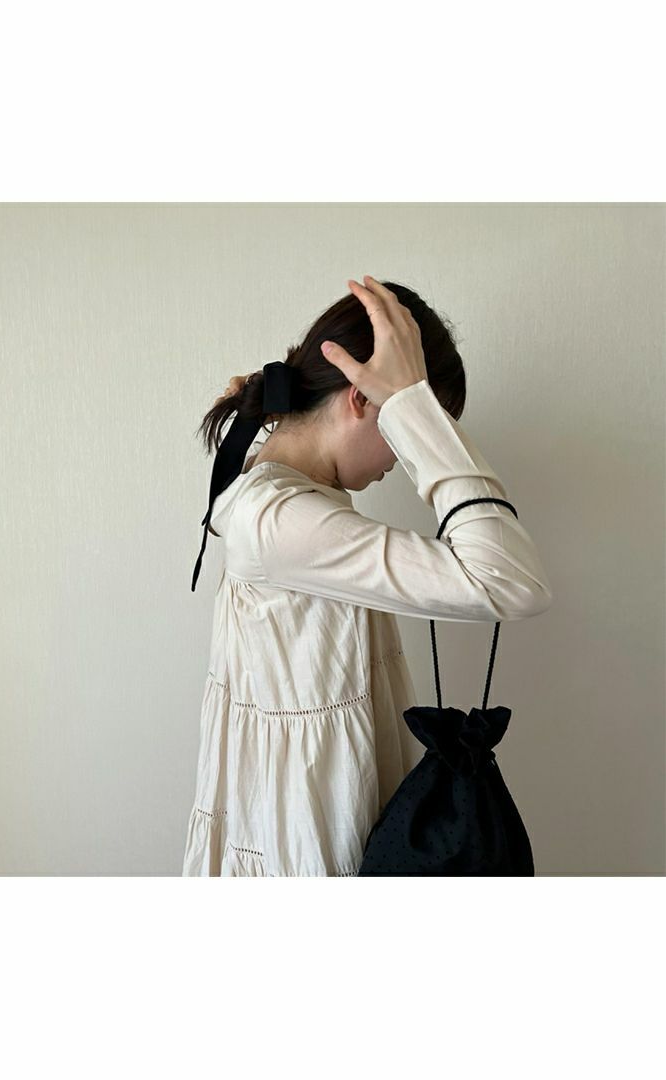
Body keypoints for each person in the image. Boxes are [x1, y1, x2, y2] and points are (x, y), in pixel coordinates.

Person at [182, 275, 553, 876]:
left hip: (315, 807)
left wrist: (404, 402)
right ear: (360, 398)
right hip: (306, 836)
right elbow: (510, 581)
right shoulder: (279, 518)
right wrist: (412, 404)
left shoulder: (280, 487)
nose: (405, 459)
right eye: (408, 428)